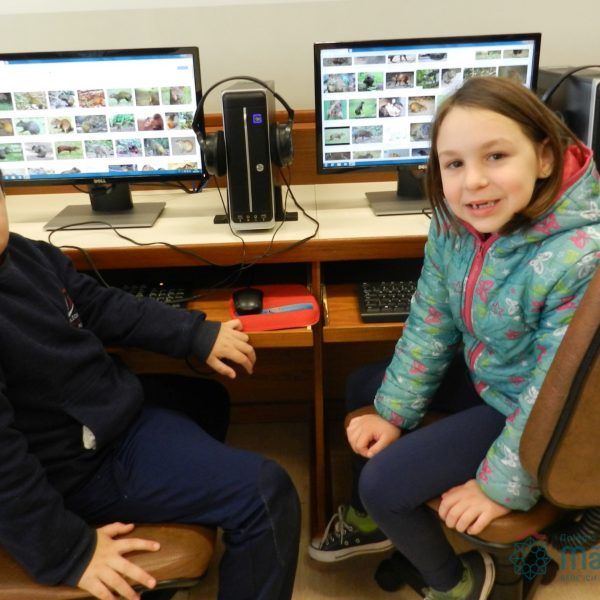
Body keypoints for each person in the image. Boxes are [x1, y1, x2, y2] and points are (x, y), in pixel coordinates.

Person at [309, 75, 600, 600]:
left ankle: (457, 583)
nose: (473, 182)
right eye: (454, 164)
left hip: (528, 407)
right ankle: (376, 523)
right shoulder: (455, 224)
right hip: (491, 372)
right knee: (363, 387)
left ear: (545, 158)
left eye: (496, 156)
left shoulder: (579, 258)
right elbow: (431, 321)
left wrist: (499, 488)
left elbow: (551, 397)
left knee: (384, 485)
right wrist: (393, 411)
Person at [0, 172, 300, 600]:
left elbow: (99, 305)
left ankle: (174, 527)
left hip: (93, 412)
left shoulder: (23, 254)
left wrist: (195, 334)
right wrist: (69, 551)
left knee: (207, 399)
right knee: (265, 494)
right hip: (79, 465)